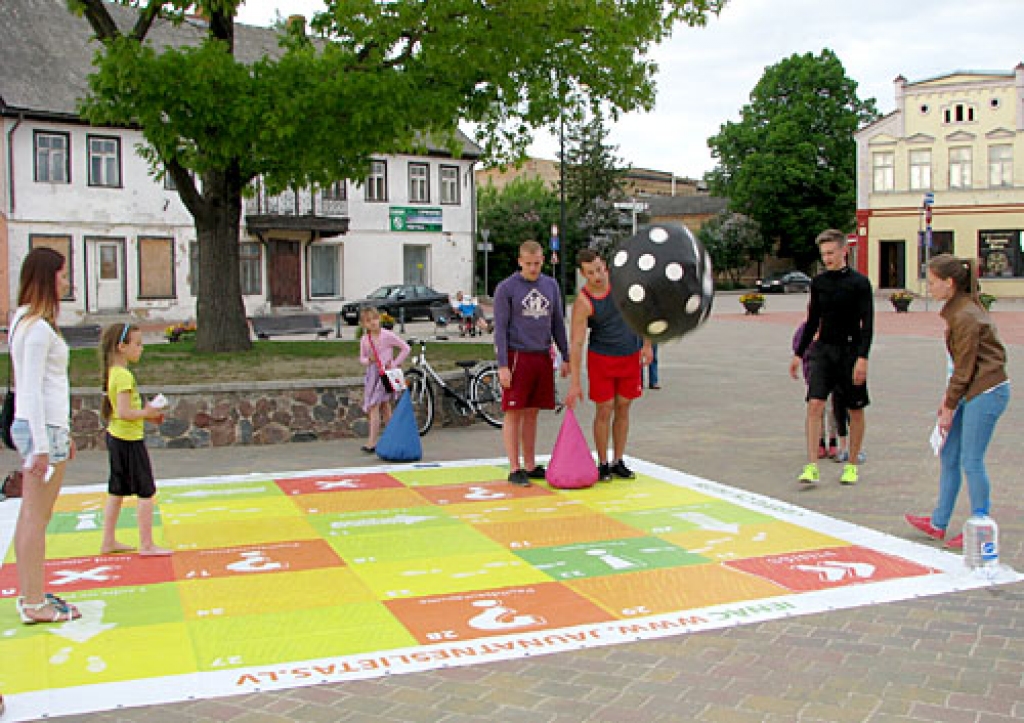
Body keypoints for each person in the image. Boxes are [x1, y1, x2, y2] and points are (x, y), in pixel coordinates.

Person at [905, 254, 1009, 550]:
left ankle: (980, 524)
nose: (929, 287)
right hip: (972, 389)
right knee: (950, 454)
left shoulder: (964, 316)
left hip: (986, 391)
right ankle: (939, 523)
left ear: (949, 283)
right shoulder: (959, 309)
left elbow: (964, 368)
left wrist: (949, 406)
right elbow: (960, 368)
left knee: (971, 459)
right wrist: (948, 399)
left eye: (933, 281)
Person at [8, 247, 81, 624]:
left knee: (32, 515)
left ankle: (31, 592)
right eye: (63, 275)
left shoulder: (23, 320)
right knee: (37, 517)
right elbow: (33, 389)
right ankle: (34, 601)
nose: (67, 282)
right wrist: (40, 446)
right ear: (47, 278)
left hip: (45, 428)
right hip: (42, 430)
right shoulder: (36, 329)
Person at [789, 229, 873, 485]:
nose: (827, 258)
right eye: (823, 254)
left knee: (854, 409)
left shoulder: (859, 283)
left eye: (831, 253)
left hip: (849, 351)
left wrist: (863, 358)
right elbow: (813, 319)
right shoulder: (819, 283)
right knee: (815, 404)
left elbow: (867, 323)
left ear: (843, 251)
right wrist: (799, 353)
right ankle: (812, 464)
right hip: (823, 351)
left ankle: (851, 464)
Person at [565, 248, 652, 481]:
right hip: (602, 358)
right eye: (591, 273)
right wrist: (575, 383)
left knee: (624, 406)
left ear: (605, 265)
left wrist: (647, 345)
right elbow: (577, 342)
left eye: (600, 269)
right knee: (604, 409)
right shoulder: (584, 302)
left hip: (630, 355)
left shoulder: (621, 285)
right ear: (583, 275)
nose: (598, 276)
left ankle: (618, 460)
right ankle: (603, 462)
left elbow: (643, 310)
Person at [493, 240, 570, 486]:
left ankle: (530, 463)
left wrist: (566, 355)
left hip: (541, 354)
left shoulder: (551, 285)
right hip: (517, 355)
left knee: (533, 412)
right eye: (528, 264)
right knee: (514, 411)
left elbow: (557, 322)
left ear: (543, 261)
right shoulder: (507, 288)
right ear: (519, 262)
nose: (533, 269)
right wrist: (503, 364)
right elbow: (500, 329)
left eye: (537, 264)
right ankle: (514, 467)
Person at [99, 323, 171, 556]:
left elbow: (125, 412)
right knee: (145, 490)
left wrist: (148, 416)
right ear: (122, 347)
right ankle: (147, 543)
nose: (141, 349)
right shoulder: (123, 376)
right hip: (128, 440)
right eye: (137, 344)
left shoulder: (114, 373)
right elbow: (124, 412)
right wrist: (148, 413)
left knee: (117, 489)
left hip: (118, 436)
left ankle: (108, 540)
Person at [358, 306, 410, 453]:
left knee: (379, 405)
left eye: (375, 318)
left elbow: (405, 348)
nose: (373, 323)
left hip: (386, 375)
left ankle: (377, 440)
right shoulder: (365, 340)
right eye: (369, 321)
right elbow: (361, 358)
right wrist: (369, 360)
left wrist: (394, 363)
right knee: (380, 406)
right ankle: (386, 438)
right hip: (373, 375)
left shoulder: (387, 336)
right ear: (364, 324)